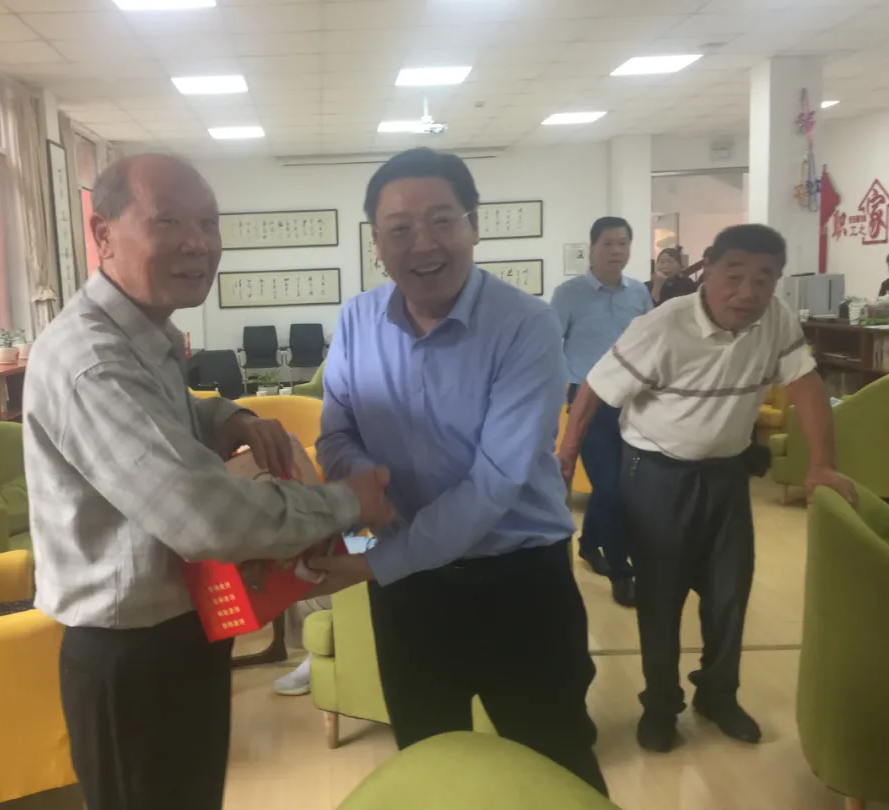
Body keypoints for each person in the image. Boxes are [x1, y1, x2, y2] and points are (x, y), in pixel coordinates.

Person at [22, 153, 394, 810]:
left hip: (180, 629)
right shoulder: (92, 361)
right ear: (103, 234)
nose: (197, 243)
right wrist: (345, 503)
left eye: (208, 222)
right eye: (168, 222)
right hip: (131, 655)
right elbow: (205, 519)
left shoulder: (143, 335)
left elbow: (167, 418)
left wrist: (230, 418)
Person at [306, 147, 607, 796]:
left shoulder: (526, 325)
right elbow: (336, 433)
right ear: (377, 243)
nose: (423, 244)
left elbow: (495, 481)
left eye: (441, 220)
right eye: (399, 228)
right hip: (411, 596)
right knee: (428, 765)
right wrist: (369, 486)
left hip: (518, 584)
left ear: (474, 224)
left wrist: (378, 559)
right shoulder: (357, 320)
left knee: (554, 764)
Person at [558, 223, 858, 754]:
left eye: (763, 279)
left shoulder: (776, 320)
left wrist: (822, 466)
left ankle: (717, 696)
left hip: (725, 477)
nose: (747, 292)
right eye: (734, 275)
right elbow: (593, 392)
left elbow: (807, 385)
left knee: (729, 595)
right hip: (655, 476)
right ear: (708, 271)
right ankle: (660, 706)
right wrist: (564, 458)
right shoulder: (662, 326)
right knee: (661, 597)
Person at [549, 217, 652, 608]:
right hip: (586, 403)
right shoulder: (569, 294)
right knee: (609, 487)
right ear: (591, 248)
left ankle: (590, 545)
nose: (616, 251)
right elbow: (550, 344)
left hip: (633, 403)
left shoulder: (639, 293)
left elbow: (650, 343)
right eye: (608, 243)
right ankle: (623, 573)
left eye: (623, 243)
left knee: (622, 486)